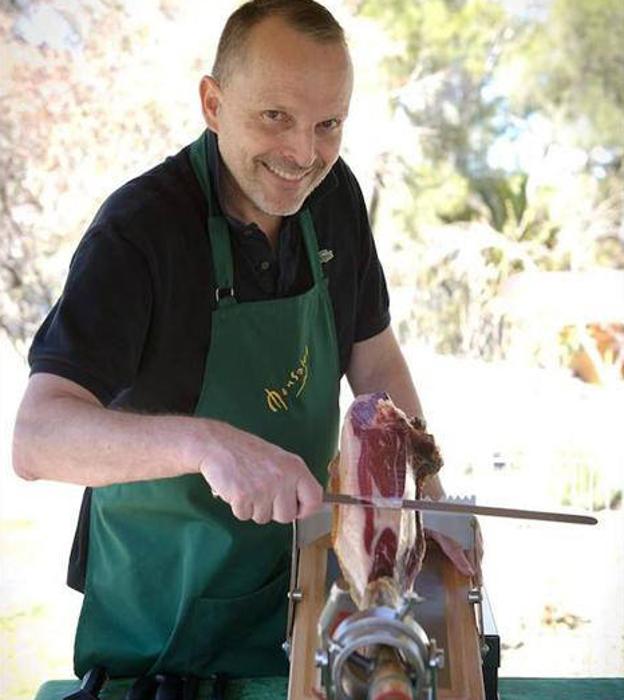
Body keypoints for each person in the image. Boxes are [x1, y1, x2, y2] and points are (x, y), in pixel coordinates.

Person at [13, 0, 444, 693]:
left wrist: (425, 500)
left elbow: (376, 357)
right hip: (166, 625)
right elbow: (36, 437)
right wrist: (207, 445)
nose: (303, 155)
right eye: (275, 116)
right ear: (213, 103)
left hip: (298, 592)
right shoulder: (140, 230)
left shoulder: (333, 197)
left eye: (327, 124)